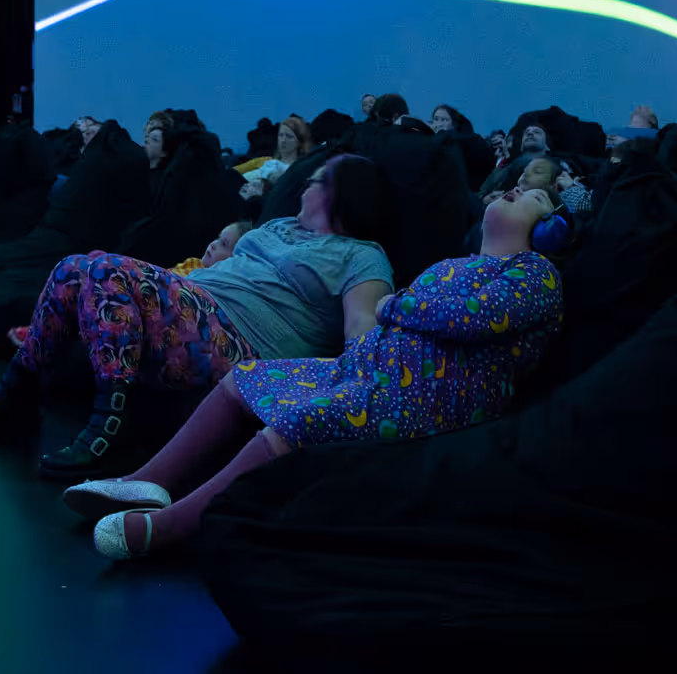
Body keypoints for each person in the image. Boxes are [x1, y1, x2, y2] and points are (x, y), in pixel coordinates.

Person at [67, 186, 567, 559]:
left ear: (551, 228)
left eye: (535, 195)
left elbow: (476, 319)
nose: (517, 188)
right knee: (246, 378)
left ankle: (174, 525)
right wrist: (389, 326)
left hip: (420, 402)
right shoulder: (453, 265)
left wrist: (395, 307)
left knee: (303, 418)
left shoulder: (535, 273)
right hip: (369, 372)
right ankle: (149, 480)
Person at [0, 155, 396, 478]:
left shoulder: (361, 255)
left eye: (316, 181)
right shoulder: (279, 228)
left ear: (342, 196)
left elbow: (362, 328)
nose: (303, 187)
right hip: (193, 307)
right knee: (72, 268)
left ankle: (113, 431)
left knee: (104, 267)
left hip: (244, 343)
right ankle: (16, 401)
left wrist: (349, 393)